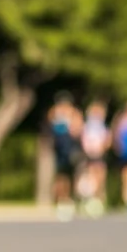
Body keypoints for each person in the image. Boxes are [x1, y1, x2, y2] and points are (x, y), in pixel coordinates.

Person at [47, 92, 83, 221]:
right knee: (61, 177)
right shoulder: (54, 113)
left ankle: (68, 199)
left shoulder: (74, 114)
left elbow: (78, 130)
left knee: (71, 176)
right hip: (60, 149)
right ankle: (61, 200)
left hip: (71, 149)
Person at [78, 101, 111, 217]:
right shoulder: (88, 126)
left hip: (99, 154)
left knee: (100, 177)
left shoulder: (101, 126)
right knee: (91, 177)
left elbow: (107, 140)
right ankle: (90, 199)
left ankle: (99, 200)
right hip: (90, 155)